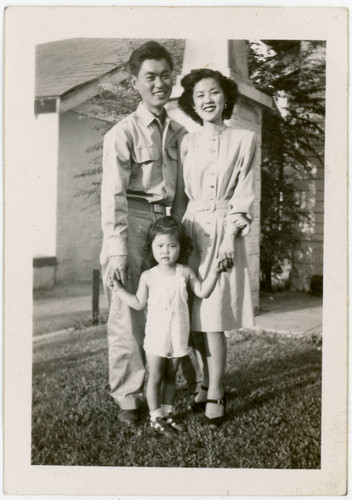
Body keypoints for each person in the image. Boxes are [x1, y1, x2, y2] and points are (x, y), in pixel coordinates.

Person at [100, 41, 201, 427]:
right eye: (150, 77)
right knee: (128, 315)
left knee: (171, 306)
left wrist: (179, 233)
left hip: (170, 225)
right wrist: (117, 249)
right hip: (133, 222)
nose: (159, 84)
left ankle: (173, 386)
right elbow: (113, 197)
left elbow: (184, 188)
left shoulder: (180, 132)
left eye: (164, 76)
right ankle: (127, 395)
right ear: (135, 82)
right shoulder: (121, 133)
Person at [177, 68, 257, 427]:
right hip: (191, 231)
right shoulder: (186, 142)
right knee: (190, 318)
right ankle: (202, 380)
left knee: (212, 320)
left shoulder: (245, 139)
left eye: (213, 93)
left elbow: (242, 196)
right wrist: (176, 241)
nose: (207, 100)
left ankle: (217, 391)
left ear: (225, 98)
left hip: (224, 232)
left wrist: (228, 238)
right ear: (192, 104)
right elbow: (181, 197)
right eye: (199, 96)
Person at [111, 216, 224, 436]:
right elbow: (137, 302)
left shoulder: (185, 273)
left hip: (178, 335)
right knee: (155, 376)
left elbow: (203, 292)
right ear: (151, 247)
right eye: (160, 246)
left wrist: (217, 271)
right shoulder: (148, 276)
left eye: (172, 246)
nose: (165, 251)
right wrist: (118, 287)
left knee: (171, 376)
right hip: (156, 337)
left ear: (181, 247)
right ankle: (156, 418)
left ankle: (167, 413)